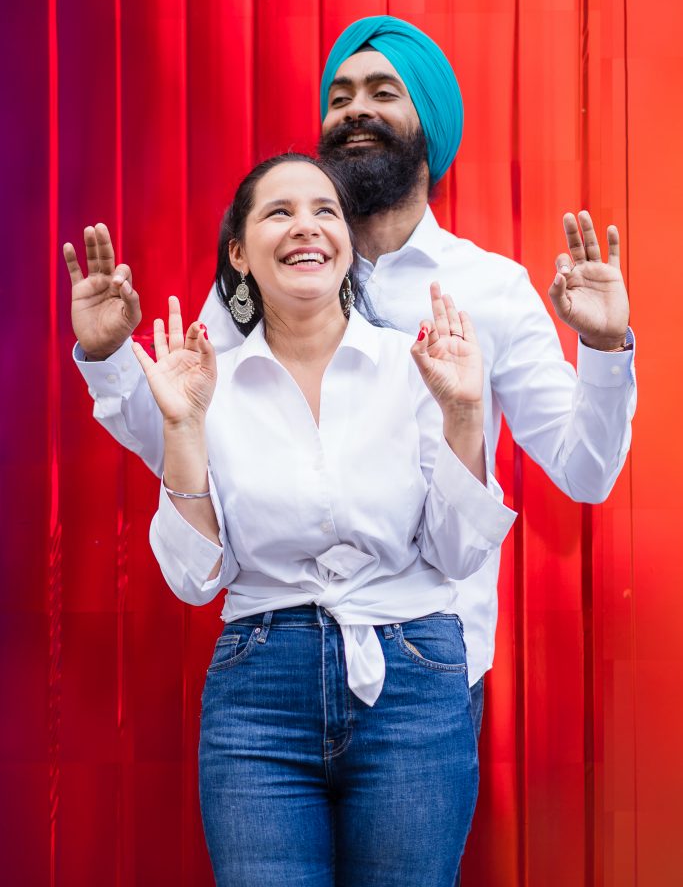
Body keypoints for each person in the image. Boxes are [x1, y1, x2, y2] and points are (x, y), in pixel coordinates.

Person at [63, 16, 635, 879]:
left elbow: (584, 471)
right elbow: (187, 437)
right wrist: (111, 361)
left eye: (380, 92)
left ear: (427, 124)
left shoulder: (488, 289)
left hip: (425, 663)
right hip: (270, 664)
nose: (354, 110)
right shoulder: (260, 284)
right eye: (338, 96)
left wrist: (602, 345)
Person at [121, 151, 517, 885]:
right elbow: (193, 580)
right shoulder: (205, 383)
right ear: (239, 254)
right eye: (279, 212)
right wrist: (181, 428)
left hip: (412, 678)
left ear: (346, 243)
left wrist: (465, 414)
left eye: (324, 210)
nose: (305, 226)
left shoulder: (419, 365)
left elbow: (458, 554)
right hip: (259, 692)